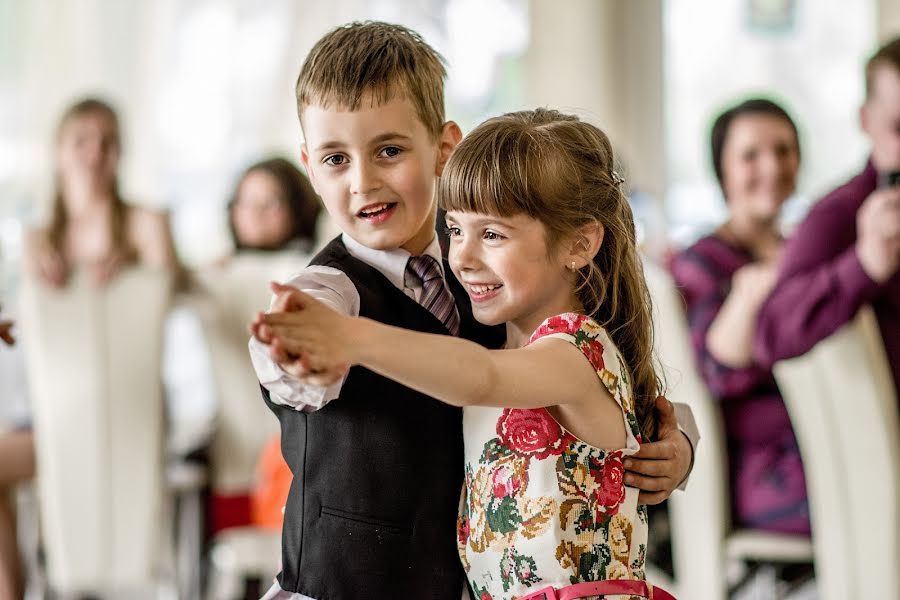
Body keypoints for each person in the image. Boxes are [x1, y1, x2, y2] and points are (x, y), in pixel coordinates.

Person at [247, 22, 695, 600]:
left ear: (443, 148)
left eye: (388, 150)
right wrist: (298, 346)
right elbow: (299, 330)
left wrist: (677, 441)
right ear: (310, 167)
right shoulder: (332, 287)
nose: (363, 181)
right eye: (336, 158)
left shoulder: (491, 284)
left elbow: (556, 383)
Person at [0, 97, 178, 598]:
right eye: (82, 140)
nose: (95, 153)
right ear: (58, 152)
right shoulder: (40, 238)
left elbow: (170, 298)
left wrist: (136, 267)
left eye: (107, 141)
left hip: (130, 418)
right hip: (51, 417)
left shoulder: (144, 224)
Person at [670, 98, 810, 535]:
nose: (771, 166)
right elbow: (715, 372)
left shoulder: (805, 251)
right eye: (751, 155)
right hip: (758, 470)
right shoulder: (701, 262)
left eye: (783, 150)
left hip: (816, 445)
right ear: (723, 169)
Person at [754, 37, 900, 394]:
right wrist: (863, 264)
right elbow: (770, 332)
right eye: (899, 128)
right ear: (866, 120)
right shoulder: (837, 216)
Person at [227, 157, 322, 255]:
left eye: (270, 202)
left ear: (298, 208)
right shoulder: (221, 264)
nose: (254, 213)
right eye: (245, 201)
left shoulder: (315, 263)